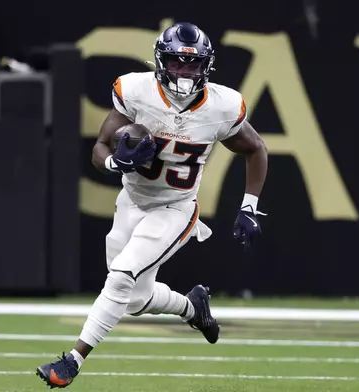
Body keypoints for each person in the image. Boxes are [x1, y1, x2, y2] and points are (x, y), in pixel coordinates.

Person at [35, 22, 268, 388]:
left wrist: (249, 206)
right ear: (160, 61)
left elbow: (255, 148)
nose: (184, 72)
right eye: (176, 63)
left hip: (175, 208)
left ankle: (72, 361)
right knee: (132, 298)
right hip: (132, 200)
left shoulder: (222, 106)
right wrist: (116, 162)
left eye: (192, 65)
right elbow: (100, 147)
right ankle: (193, 307)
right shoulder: (136, 91)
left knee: (122, 276)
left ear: (206, 67)